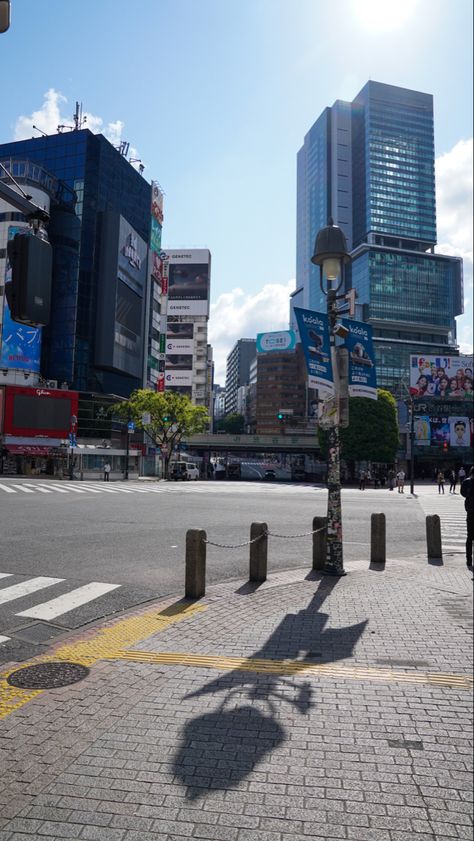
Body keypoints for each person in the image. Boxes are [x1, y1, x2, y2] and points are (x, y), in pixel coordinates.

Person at [460, 466, 474, 568]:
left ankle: (469, 559)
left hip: (470, 511)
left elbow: (463, 493)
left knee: (470, 536)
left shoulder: (466, 481)